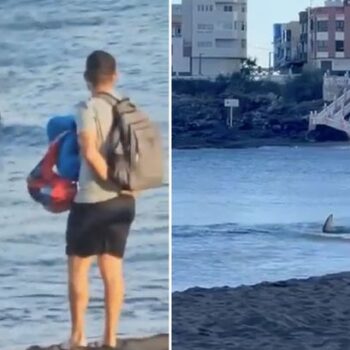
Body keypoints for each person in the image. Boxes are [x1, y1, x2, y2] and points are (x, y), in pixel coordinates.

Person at [65, 50, 136, 349]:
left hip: (93, 200)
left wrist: (108, 180)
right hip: (126, 201)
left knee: (79, 268)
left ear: (86, 78)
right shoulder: (128, 108)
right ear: (115, 75)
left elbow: (89, 150)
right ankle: (110, 338)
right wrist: (127, 185)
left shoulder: (87, 106)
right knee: (113, 269)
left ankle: (78, 337)